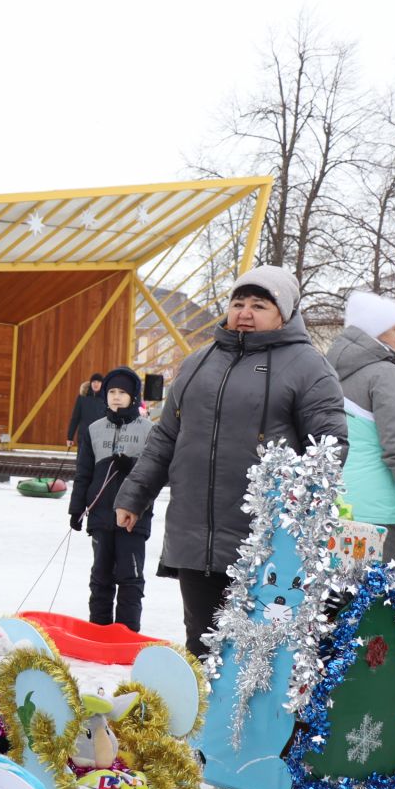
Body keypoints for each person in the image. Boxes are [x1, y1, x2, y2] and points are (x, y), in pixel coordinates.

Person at [113, 266, 346, 658]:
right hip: (195, 535)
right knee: (203, 646)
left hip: (265, 542)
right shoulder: (198, 362)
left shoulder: (308, 367)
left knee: (258, 655)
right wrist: (134, 495)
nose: (245, 312)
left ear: (284, 313)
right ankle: (207, 721)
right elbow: (166, 436)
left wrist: (294, 506)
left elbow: (330, 446)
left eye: (259, 305)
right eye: (238, 302)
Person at [326, 290, 395, 563]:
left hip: (337, 506)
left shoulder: (329, 372)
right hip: (376, 515)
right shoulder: (385, 375)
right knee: (373, 600)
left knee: (337, 600)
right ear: (374, 331)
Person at [70, 366, 152, 630]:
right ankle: (99, 629)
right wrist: (77, 509)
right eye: (112, 391)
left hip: (133, 517)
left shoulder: (148, 429)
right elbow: (83, 472)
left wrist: (131, 465)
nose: (116, 397)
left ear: (133, 396)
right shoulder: (94, 429)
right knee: (101, 577)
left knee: (130, 578)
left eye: (122, 392)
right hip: (100, 515)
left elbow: (159, 471)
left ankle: (127, 632)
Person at [65, 372, 108, 448]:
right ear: (90, 383)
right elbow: (75, 418)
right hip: (84, 437)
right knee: (82, 459)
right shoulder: (82, 398)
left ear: (102, 384)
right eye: (94, 382)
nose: (96, 384)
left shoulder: (106, 399)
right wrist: (70, 437)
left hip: (100, 438)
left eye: (98, 382)